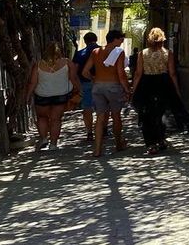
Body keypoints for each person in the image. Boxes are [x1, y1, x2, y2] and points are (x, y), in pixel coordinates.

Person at [82, 29, 131, 157]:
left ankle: (97, 149)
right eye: (120, 39)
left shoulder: (95, 52)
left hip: (98, 87)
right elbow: (121, 73)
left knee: (100, 117)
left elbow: (85, 72)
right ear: (114, 39)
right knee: (116, 115)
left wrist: (95, 80)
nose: (121, 42)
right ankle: (118, 143)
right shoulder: (118, 52)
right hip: (113, 86)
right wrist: (127, 89)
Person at [131, 28, 180, 155]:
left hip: (146, 84)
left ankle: (151, 144)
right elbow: (172, 73)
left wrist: (134, 89)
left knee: (147, 114)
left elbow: (138, 73)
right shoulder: (167, 53)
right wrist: (176, 89)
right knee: (162, 113)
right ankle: (161, 139)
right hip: (163, 83)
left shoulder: (142, 54)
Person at [25, 42, 80, 151]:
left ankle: (44, 138)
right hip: (60, 95)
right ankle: (53, 144)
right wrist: (80, 90)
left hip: (42, 95)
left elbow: (33, 83)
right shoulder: (67, 63)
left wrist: (27, 95)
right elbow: (73, 79)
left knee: (42, 117)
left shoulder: (39, 65)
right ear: (59, 51)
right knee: (56, 119)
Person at [71, 32, 99, 141]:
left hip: (84, 83)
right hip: (100, 81)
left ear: (85, 41)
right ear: (96, 39)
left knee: (87, 108)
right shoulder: (103, 51)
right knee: (102, 107)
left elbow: (74, 71)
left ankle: (89, 132)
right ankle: (103, 129)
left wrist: (76, 85)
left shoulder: (79, 54)